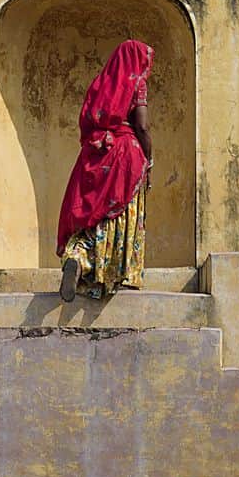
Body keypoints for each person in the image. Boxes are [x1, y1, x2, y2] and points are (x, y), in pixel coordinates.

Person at [57, 39, 153, 302]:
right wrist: (150, 160)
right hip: (125, 154)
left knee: (95, 213)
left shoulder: (100, 84)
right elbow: (142, 127)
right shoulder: (137, 84)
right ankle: (112, 275)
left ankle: (79, 258)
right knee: (118, 214)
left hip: (97, 152)